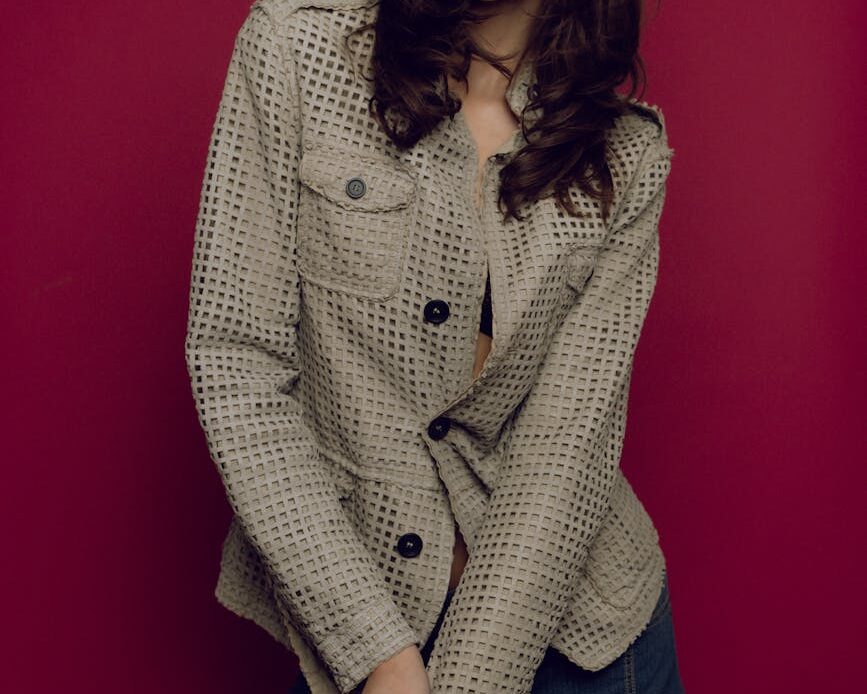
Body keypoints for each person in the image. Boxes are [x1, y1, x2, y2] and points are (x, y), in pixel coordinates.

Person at [184, 0, 685, 693]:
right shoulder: (298, 50)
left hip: (579, 637)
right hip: (358, 626)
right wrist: (376, 655)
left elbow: (566, 449)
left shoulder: (624, 153)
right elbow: (237, 361)